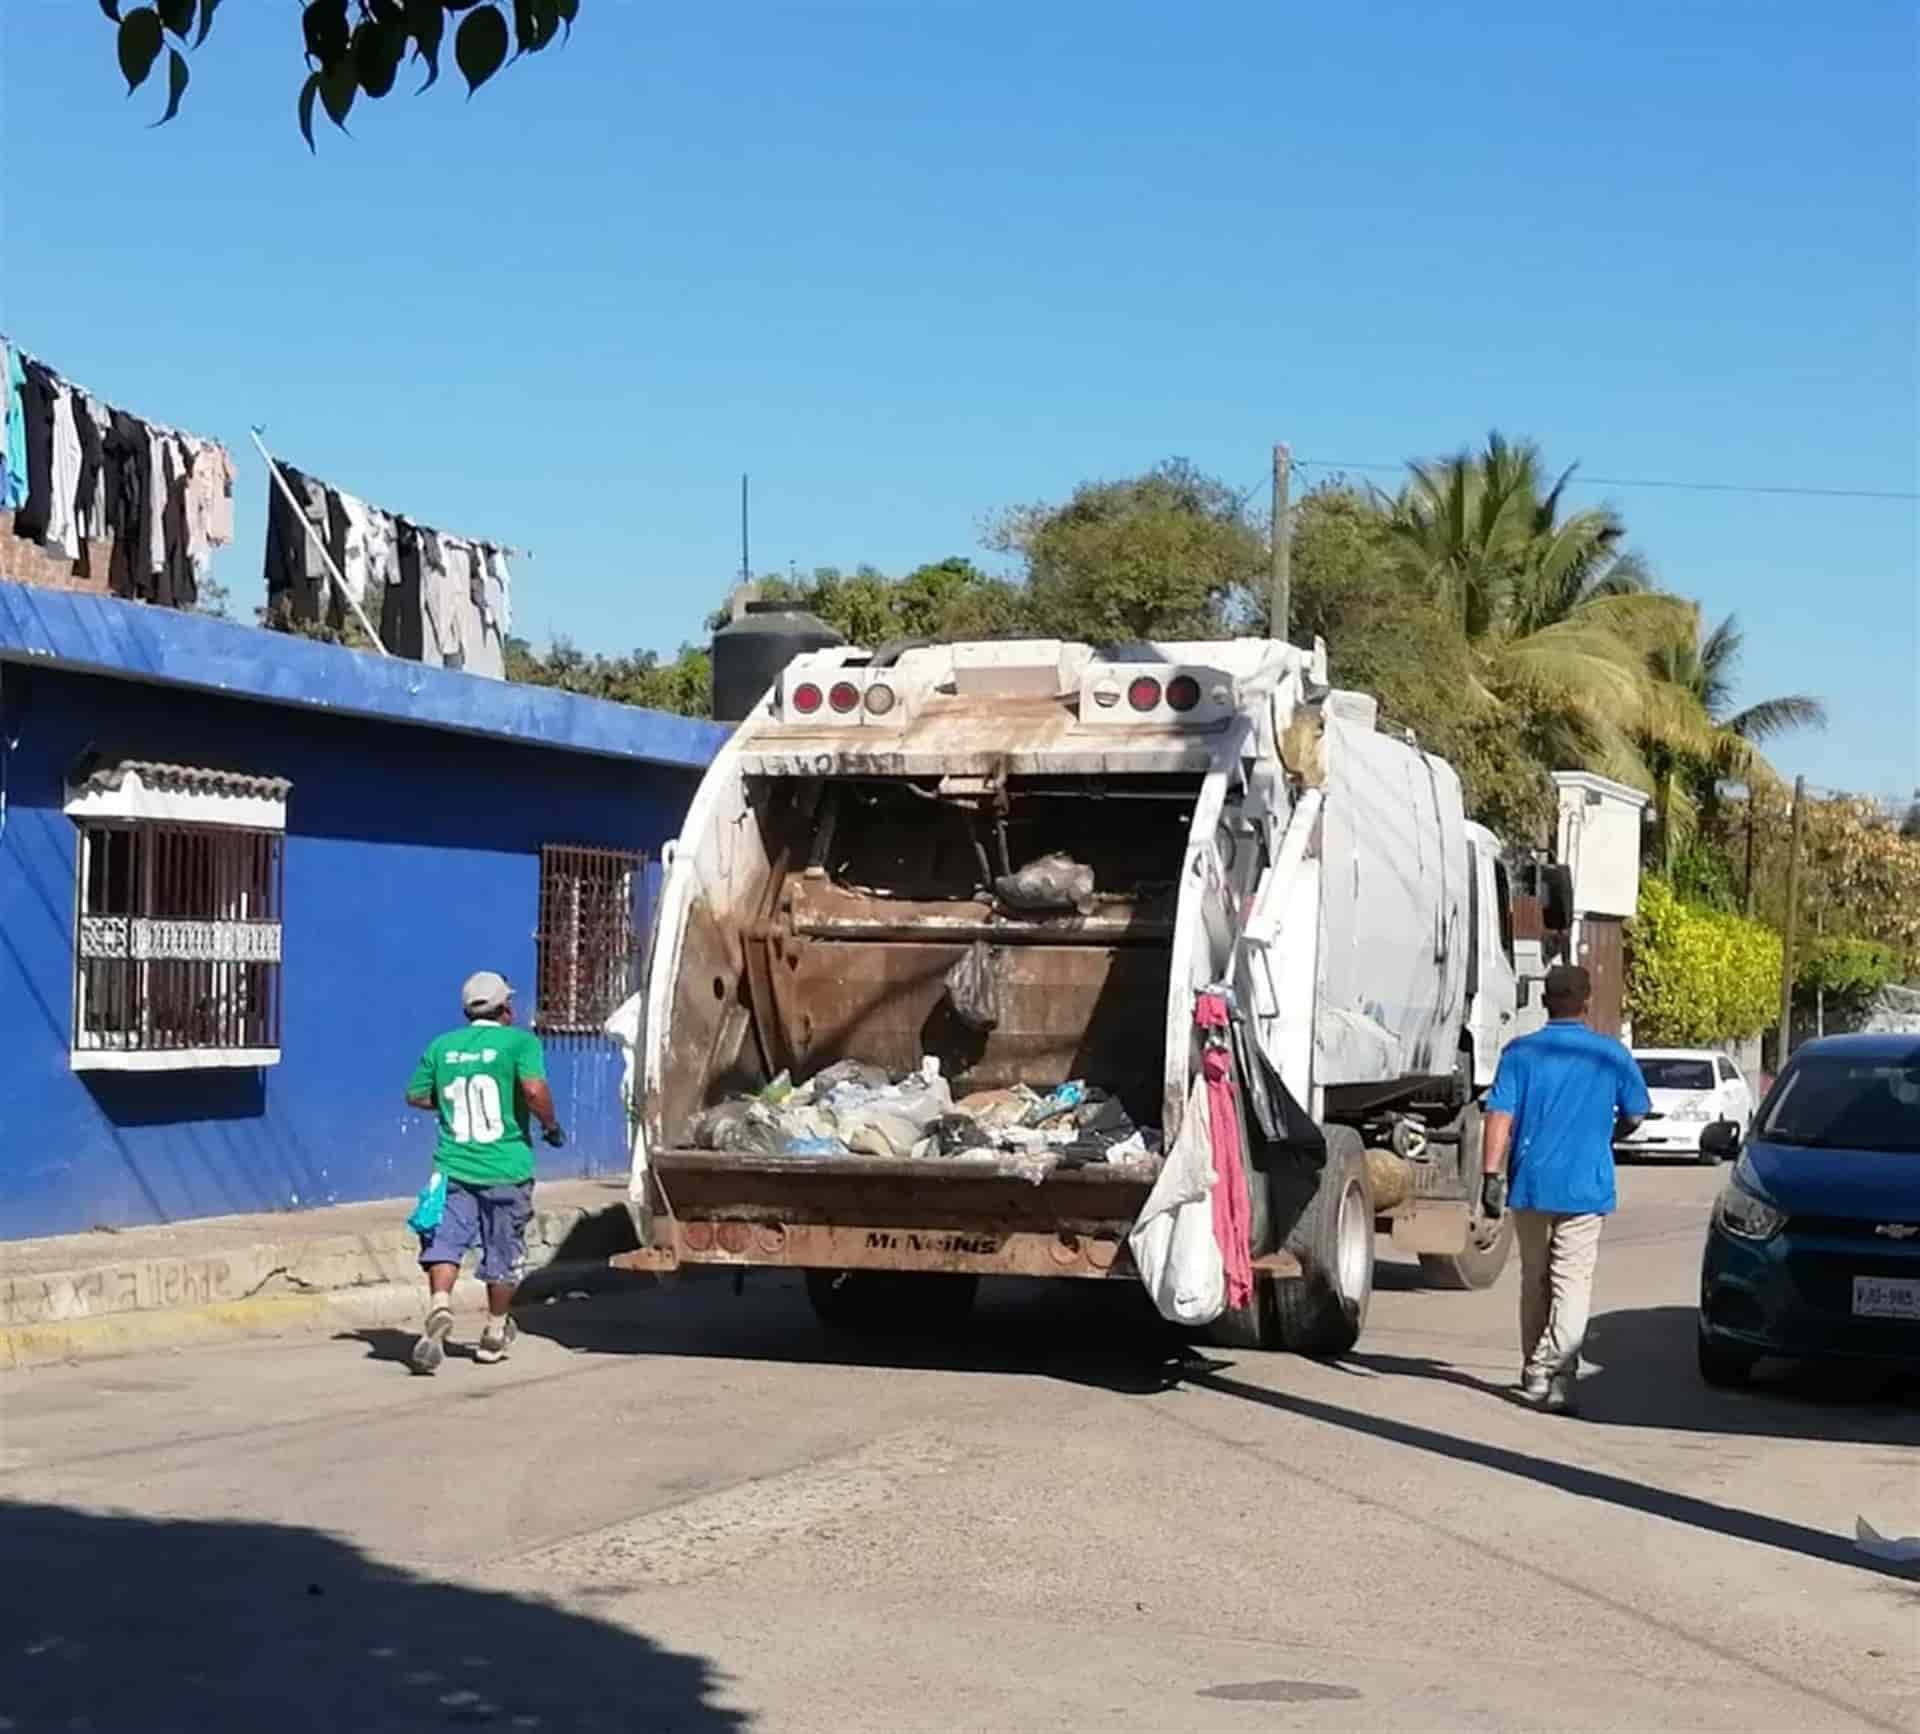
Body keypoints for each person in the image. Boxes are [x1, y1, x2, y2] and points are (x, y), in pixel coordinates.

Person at [1479, 963, 1649, 1414]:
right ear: (1587, 1002)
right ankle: (1555, 1372)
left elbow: (1499, 1116)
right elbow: (1635, 1113)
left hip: (1531, 1184)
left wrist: (1490, 1176)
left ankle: (1535, 1369)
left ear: (1543, 1002)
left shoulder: (1520, 1054)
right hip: (1586, 1186)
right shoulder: (1609, 1055)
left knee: (1533, 1280)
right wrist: (1608, 1134)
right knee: (1571, 1283)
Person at [405, 971, 565, 1374]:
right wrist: (549, 1126)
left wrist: (449, 1106)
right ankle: (494, 1332)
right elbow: (533, 1090)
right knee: (504, 1252)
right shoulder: (520, 1043)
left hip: (453, 1167)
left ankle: (441, 1303)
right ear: (505, 1008)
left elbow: (416, 1095)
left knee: (444, 1241)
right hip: (506, 1169)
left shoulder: (442, 1046)